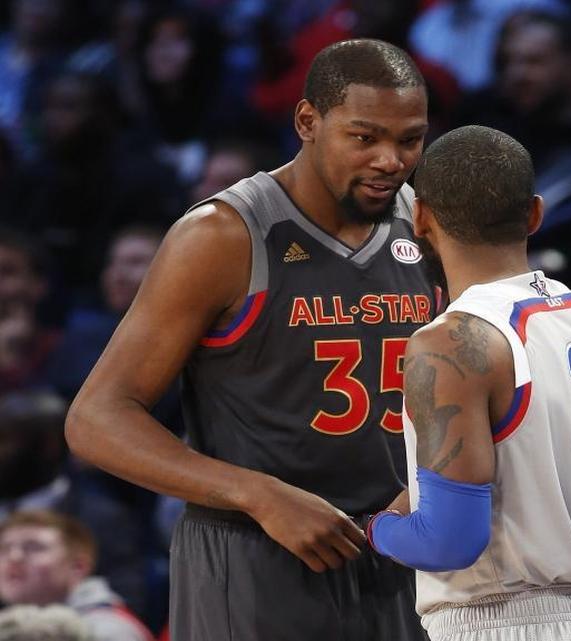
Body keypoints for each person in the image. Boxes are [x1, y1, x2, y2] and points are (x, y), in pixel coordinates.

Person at [64, 39, 437, 641]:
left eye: (410, 140)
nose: (391, 160)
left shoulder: (426, 223)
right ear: (308, 122)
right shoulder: (223, 235)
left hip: (397, 554)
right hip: (253, 551)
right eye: (365, 138)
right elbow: (95, 419)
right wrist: (258, 495)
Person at [366, 125, 571, 640]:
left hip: (501, 622)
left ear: (420, 217)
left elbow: (449, 543)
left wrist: (378, 529)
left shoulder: (452, 342)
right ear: (536, 213)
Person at [0, 510, 153, 641]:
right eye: (4, 548)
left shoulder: (110, 630)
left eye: (34, 547)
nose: (14, 557)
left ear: (78, 567)